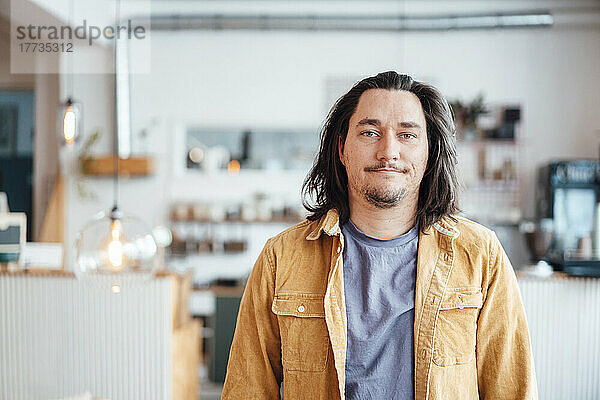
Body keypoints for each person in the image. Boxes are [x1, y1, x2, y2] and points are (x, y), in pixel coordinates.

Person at [222, 71, 537, 399]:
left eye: (408, 135)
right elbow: (247, 390)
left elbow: (511, 390)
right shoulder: (281, 258)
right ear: (342, 150)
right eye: (370, 132)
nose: (388, 151)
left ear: (429, 154)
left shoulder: (480, 254)